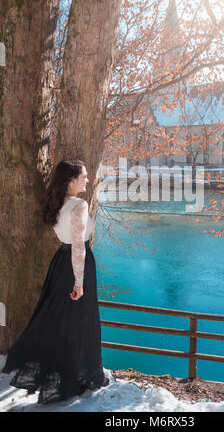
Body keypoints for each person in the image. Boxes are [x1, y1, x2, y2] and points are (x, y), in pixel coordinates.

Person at [1, 159, 109, 404]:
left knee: (60, 320)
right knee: (82, 320)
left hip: (59, 263)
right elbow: (79, 246)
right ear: (71, 181)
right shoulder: (79, 205)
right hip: (75, 266)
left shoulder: (57, 202)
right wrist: (79, 283)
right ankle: (82, 377)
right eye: (83, 176)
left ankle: (66, 376)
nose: (87, 180)